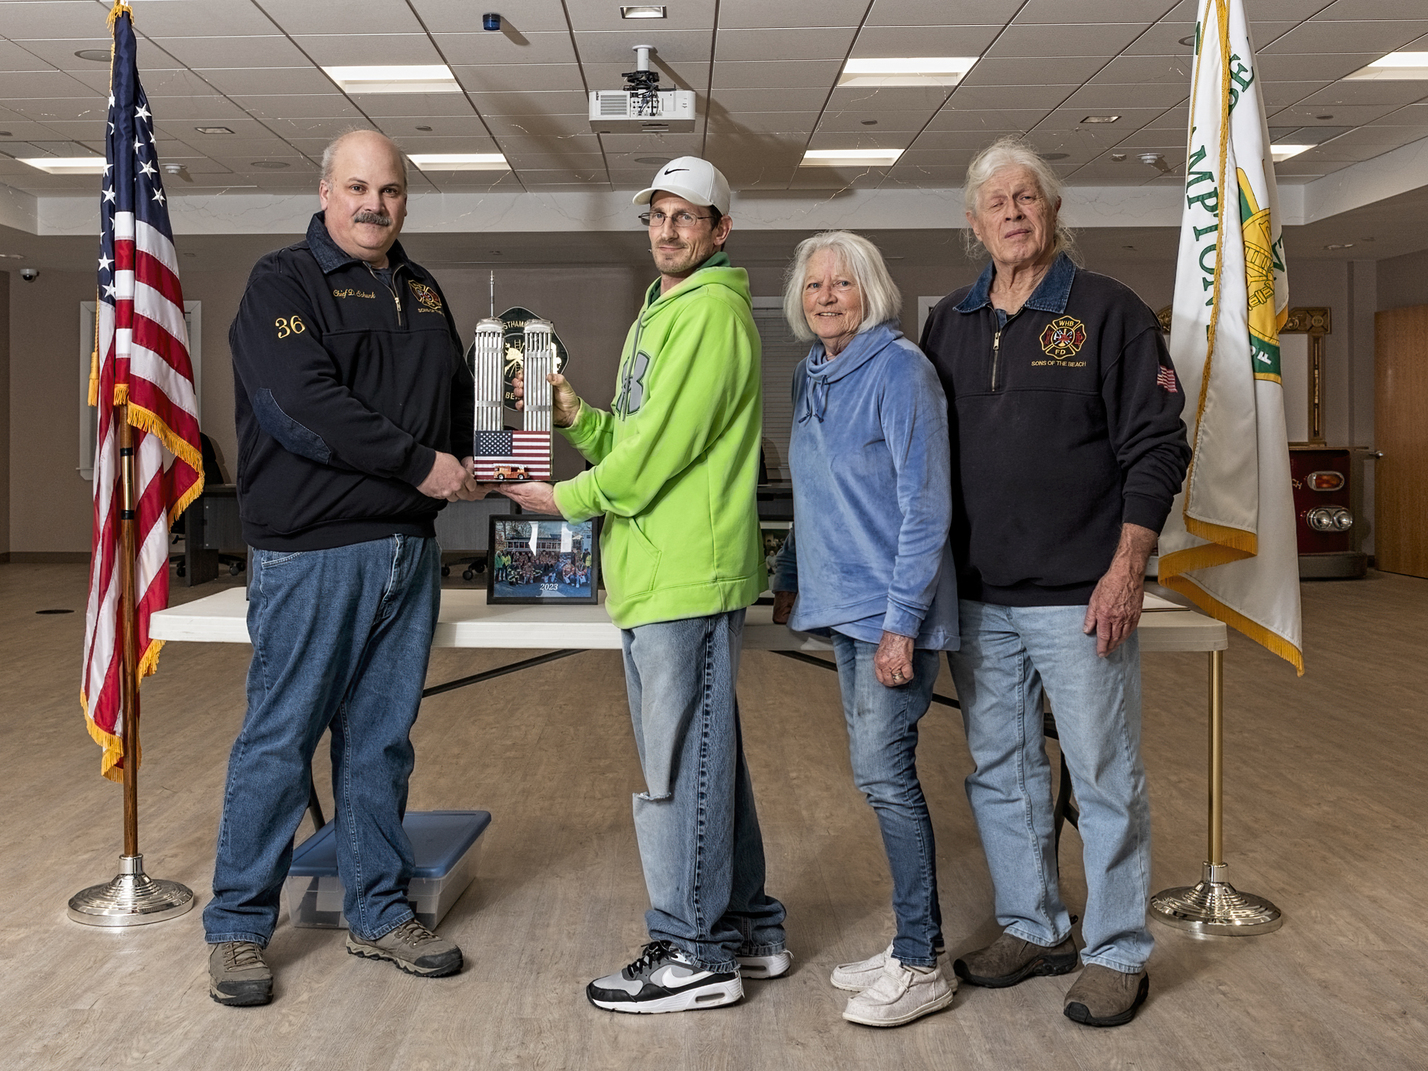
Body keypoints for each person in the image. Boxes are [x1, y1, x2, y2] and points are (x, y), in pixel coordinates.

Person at [498, 156, 787, 1014]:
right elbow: (631, 433)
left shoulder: (709, 319)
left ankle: (695, 951)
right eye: (656, 216)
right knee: (708, 761)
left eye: (685, 217)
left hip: (684, 576)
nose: (666, 230)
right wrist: (573, 413)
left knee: (678, 768)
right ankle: (750, 927)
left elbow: (654, 460)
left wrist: (564, 499)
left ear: (720, 230)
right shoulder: (661, 312)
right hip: (655, 572)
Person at [203, 129, 482, 1007]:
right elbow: (300, 407)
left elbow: (459, 404)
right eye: (358, 187)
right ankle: (240, 927)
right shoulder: (280, 283)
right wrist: (418, 463)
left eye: (391, 190)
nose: (375, 204)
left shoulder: (423, 289)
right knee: (280, 741)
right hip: (315, 554)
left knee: (380, 743)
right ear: (325, 192)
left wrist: (503, 452)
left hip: (410, 551)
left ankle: (378, 910)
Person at [920, 136, 1190, 1028]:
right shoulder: (948, 324)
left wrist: (1126, 568)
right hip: (981, 598)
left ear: (1053, 210)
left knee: (1105, 774)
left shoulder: (1110, 313)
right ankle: (1034, 925)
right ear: (973, 224)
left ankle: (1117, 949)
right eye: (994, 201)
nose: (1011, 212)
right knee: (1001, 772)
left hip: (1082, 595)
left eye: (1026, 197)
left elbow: (1157, 446)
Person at [769, 231, 959, 1027]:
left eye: (842, 283)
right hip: (841, 608)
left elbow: (927, 507)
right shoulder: (810, 374)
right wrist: (785, 576)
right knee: (874, 774)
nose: (826, 295)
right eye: (814, 285)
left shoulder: (901, 371)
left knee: (887, 777)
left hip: (891, 615)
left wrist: (901, 625)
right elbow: (810, 495)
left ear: (871, 291)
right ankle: (907, 941)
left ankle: (922, 959)